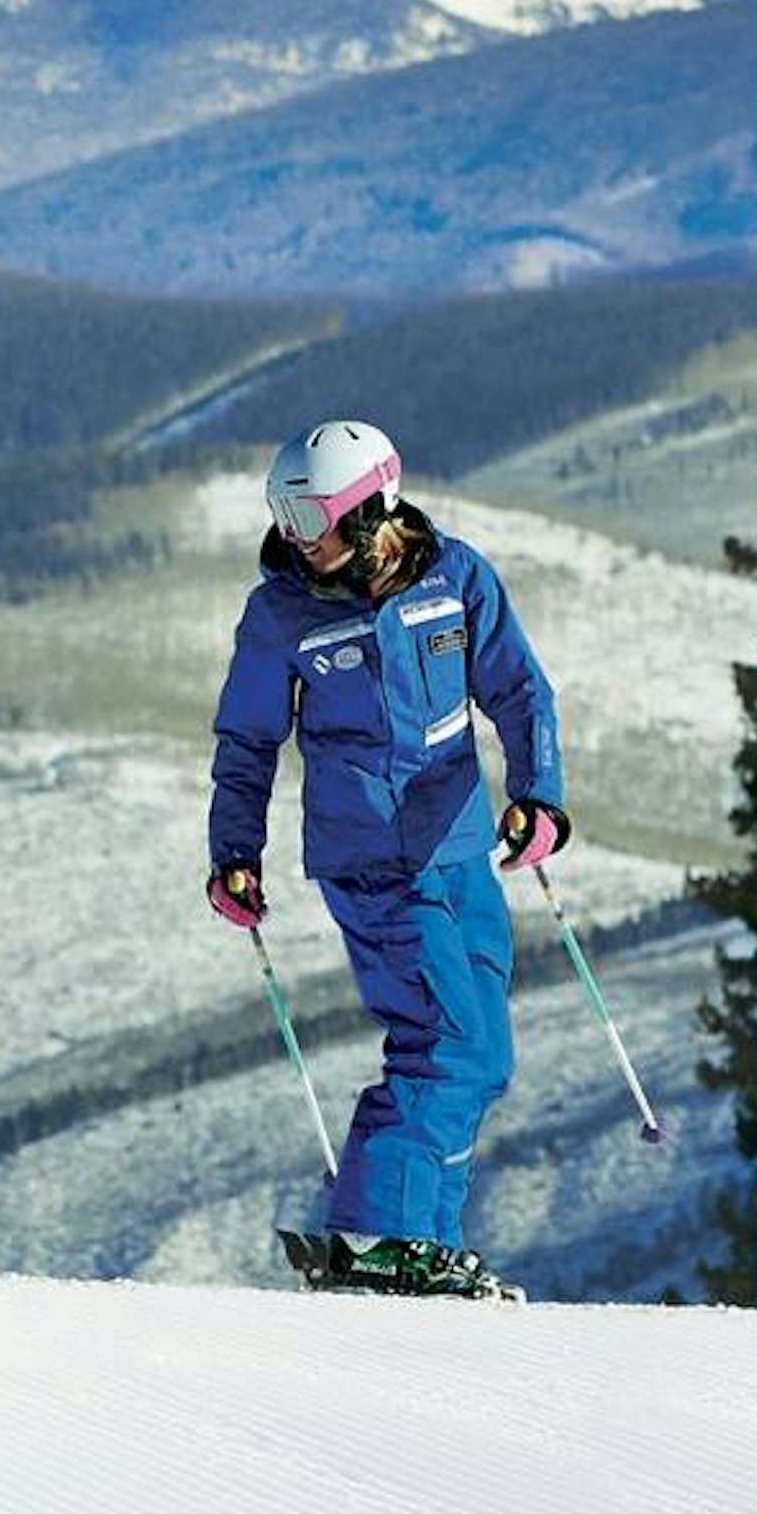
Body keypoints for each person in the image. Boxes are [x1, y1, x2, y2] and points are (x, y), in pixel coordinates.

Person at [207, 418, 567, 1298]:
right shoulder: (282, 612)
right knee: (445, 1042)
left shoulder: (455, 580)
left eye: (314, 515)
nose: (298, 536)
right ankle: (385, 1236)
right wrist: (234, 853)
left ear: (374, 506)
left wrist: (539, 795)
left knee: (482, 1056)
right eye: (285, 514)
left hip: (459, 850)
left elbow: (518, 690)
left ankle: (424, 1248)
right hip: (369, 861)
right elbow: (247, 741)